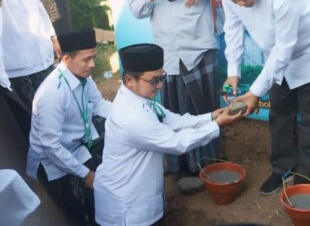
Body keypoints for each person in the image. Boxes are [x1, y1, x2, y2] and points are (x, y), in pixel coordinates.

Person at [212, 0, 310, 195]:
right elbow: (232, 27)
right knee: (280, 115)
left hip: (308, 56)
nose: (242, 4)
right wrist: (233, 71)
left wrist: (254, 92)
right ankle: (282, 166)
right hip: (275, 61)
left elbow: (284, 49)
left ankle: (304, 172)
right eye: (236, 1)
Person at [94, 43, 242, 226]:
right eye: (154, 80)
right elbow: (176, 143)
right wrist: (218, 124)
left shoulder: (141, 99)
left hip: (140, 196)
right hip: (127, 207)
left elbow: (174, 121)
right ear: (129, 79)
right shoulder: (131, 115)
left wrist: (212, 116)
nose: (161, 85)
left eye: (162, 77)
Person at [127, 0, 221, 174]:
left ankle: (209, 165)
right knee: (175, 112)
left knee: (205, 110)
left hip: (200, 51)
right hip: (169, 55)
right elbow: (136, 11)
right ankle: (181, 169)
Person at [26, 29, 111, 225]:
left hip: (77, 147)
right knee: (79, 215)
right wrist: (85, 173)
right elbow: (51, 146)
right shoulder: (51, 95)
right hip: (53, 163)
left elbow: (98, 104)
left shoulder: (83, 76)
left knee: (98, 198)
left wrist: (127, 114)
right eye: (86, 59)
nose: (93, 64)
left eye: (94, 57)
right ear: (66, 59)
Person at [0, 0, 60, 142]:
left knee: (51, 116)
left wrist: (52, 37)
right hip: (17, 69)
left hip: (42, 60)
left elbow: (40, 10)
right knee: (31, 126)